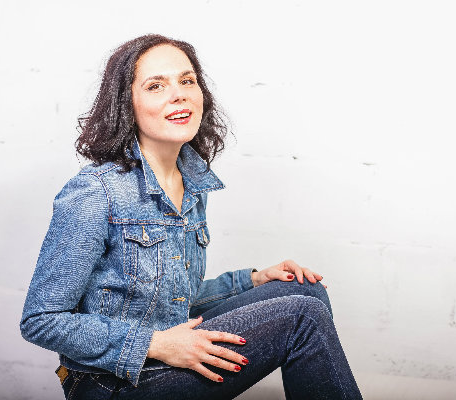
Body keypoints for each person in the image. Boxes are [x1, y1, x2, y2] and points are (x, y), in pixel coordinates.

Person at [20, 34, 362, 400]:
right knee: (302, 316)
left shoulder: (191, 182)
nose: (179, 95)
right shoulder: (95, 192)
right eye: (155, 86)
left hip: (170, 347)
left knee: (304, 289)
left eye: (187, 81)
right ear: (126, 104)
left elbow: (169, 301)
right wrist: (155, 344)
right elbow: (41, 321)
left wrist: (252, 280)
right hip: (112, 382)